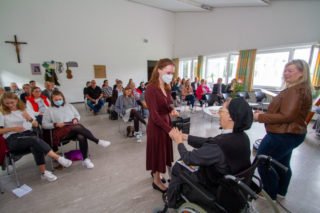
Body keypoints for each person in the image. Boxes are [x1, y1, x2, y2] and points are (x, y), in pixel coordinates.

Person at [167, 98, 252, 209]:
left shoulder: (219, 145)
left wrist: (178, 142)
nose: (218, 113)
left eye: (221, 110)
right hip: (235, 188)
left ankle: (172, 202)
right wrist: (185, 137)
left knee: (178, 167)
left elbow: (188, 158)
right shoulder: (243, 137)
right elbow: (210, 141)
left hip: (215, 188)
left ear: (231, 117)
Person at [253, 59, 312, 201]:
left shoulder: (295, 91)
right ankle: (281, 191)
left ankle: (269, 193)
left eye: (290, 70)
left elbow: (286, 116)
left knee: (263, 162)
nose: (286, 73)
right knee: (282, 164)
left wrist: (260, 116)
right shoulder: (301, 88)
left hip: (282, 134)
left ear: (301, 73)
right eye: (285, 70)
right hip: (293, 133)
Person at [0, 92, 72, 182]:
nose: (10, 105)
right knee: (34, 140)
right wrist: (12, 128)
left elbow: (36, 124)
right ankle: (58, 158)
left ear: (16, 101)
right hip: (13, 139)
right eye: (7, 103)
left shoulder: (22, 110)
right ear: (3, 103)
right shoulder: (2, 113)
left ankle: (43, 173)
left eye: (12, 102)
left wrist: (29, 119)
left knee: (36, 145)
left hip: (27, 135)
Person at [42, 91, 111, 169]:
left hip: (72, 127)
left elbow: (77, 115)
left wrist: (75, 119)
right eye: (56, 100)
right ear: (52, 100)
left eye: (60, 99)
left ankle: (85, 160)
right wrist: (55, 124)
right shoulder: (49, 110)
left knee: (81, 136)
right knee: (77, 127)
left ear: (63, 98)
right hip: (60, 131)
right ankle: (97, 141)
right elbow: (44, 124)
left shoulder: (69, 106)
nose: (58, 101)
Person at [145, 58, 179, 193]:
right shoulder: (151, 89)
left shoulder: (166, 86)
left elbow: (168, 103)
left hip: (166, 122)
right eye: (168, 72)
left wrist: (172, 110)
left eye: (172, 73)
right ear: (159, 70)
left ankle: (156, 173)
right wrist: (169, 130)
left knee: (162, 152)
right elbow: (154, 115)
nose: (170, 76)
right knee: (158, 152)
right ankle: (156, 181)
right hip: (157, 126)